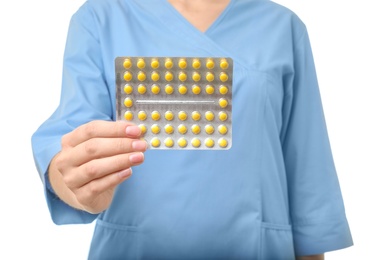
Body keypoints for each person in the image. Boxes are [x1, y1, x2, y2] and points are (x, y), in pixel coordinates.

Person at [31, 0, 353, 259]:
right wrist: (79, 183)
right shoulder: (100, 18)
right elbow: (71, 148)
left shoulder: (283, 28)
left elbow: (309, 189)